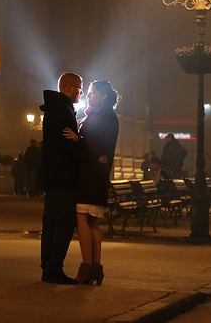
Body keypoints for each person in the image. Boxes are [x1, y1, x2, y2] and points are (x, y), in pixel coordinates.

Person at [64, 79, 119, 285]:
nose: (89, 95)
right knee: (93, 222)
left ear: (104, 96)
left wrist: (79, 139)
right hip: (97, 173)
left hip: (90, 175)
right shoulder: (105, 115)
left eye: (93, 92)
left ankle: (87, 266)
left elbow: (97, 142)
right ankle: (96, 266)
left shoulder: (102, 116)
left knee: (82, 218)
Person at [39, 71, 83, 285]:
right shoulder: (64, 111)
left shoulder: (55, 109)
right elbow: (67, 147)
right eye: (79, 89)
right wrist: (83, 145)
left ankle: (47, 264)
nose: (81, 93)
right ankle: (54, 268)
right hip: (63, 178)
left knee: (50, 223)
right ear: (68, 88)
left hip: (52, 177)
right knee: (63, 223)